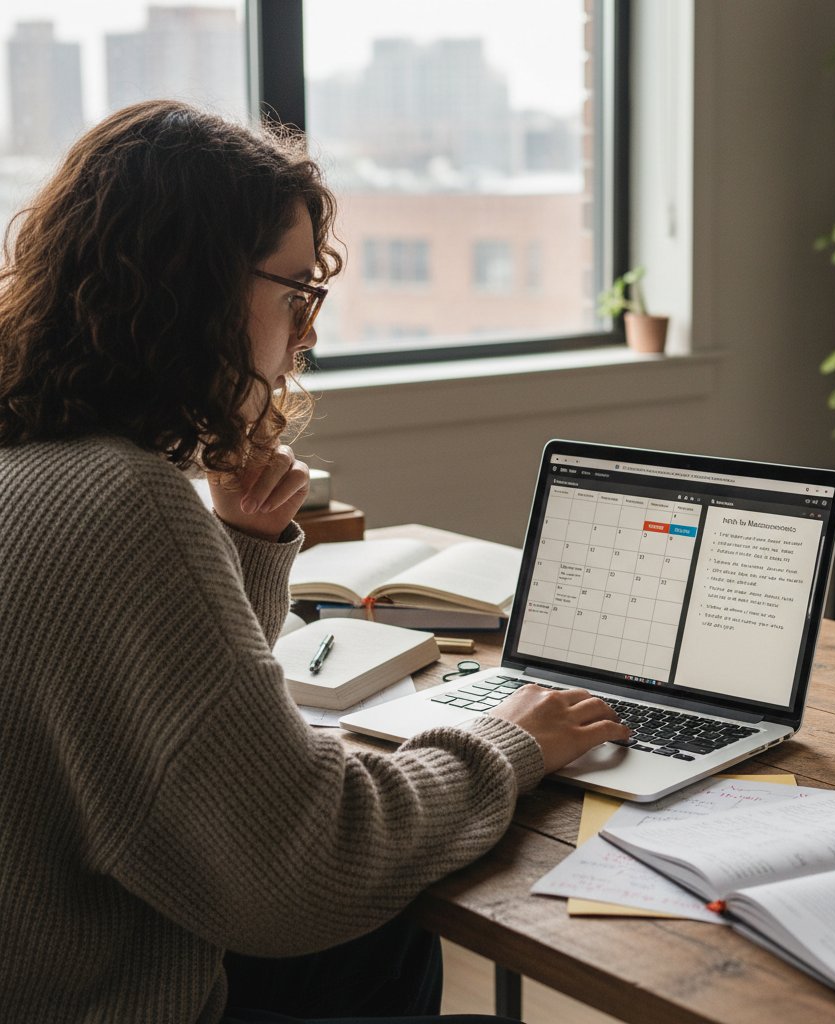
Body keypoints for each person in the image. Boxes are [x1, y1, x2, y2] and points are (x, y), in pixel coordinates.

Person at [0, 100, 629, 1024]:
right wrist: (512, 740)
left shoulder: (35, 461)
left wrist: (247, 550)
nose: (308, 333)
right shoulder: (122, 500)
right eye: (295, 294)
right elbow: (307, 865)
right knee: (382, 927)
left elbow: (161, 742)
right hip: (105, 994)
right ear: (196, 288)